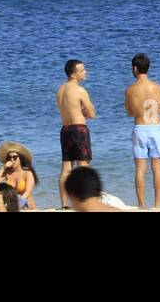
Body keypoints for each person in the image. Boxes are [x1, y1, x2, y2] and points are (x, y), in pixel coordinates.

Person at [124, 52, 160, 209]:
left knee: (140, 170)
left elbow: (130, 112)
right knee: (157, 169)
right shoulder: (158, 87)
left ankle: (142, 205)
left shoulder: (130, 90)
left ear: (135, 68)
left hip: (140, 128)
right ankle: (158, 205)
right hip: (156, 128)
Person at [56, 59, 96, 208]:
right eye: (82, 70)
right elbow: (91, 114)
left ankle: (64, 204)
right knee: (83, 166)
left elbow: (65, 109)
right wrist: (86, 111)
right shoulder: (80, 90)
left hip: (65, 129)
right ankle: (85, 201)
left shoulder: (60, 90)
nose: (85, 72)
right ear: (74, 74)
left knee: (66, 167)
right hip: (79, 129)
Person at [0, 143, 38, 210]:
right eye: (9, 158)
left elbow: (27, 192)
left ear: (20, 159)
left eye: (15, 157)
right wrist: (3, 168)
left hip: (26, 205)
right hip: (13, 205)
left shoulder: (27, 173)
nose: (12, 160)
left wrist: (18, 204)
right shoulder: (7, 172)